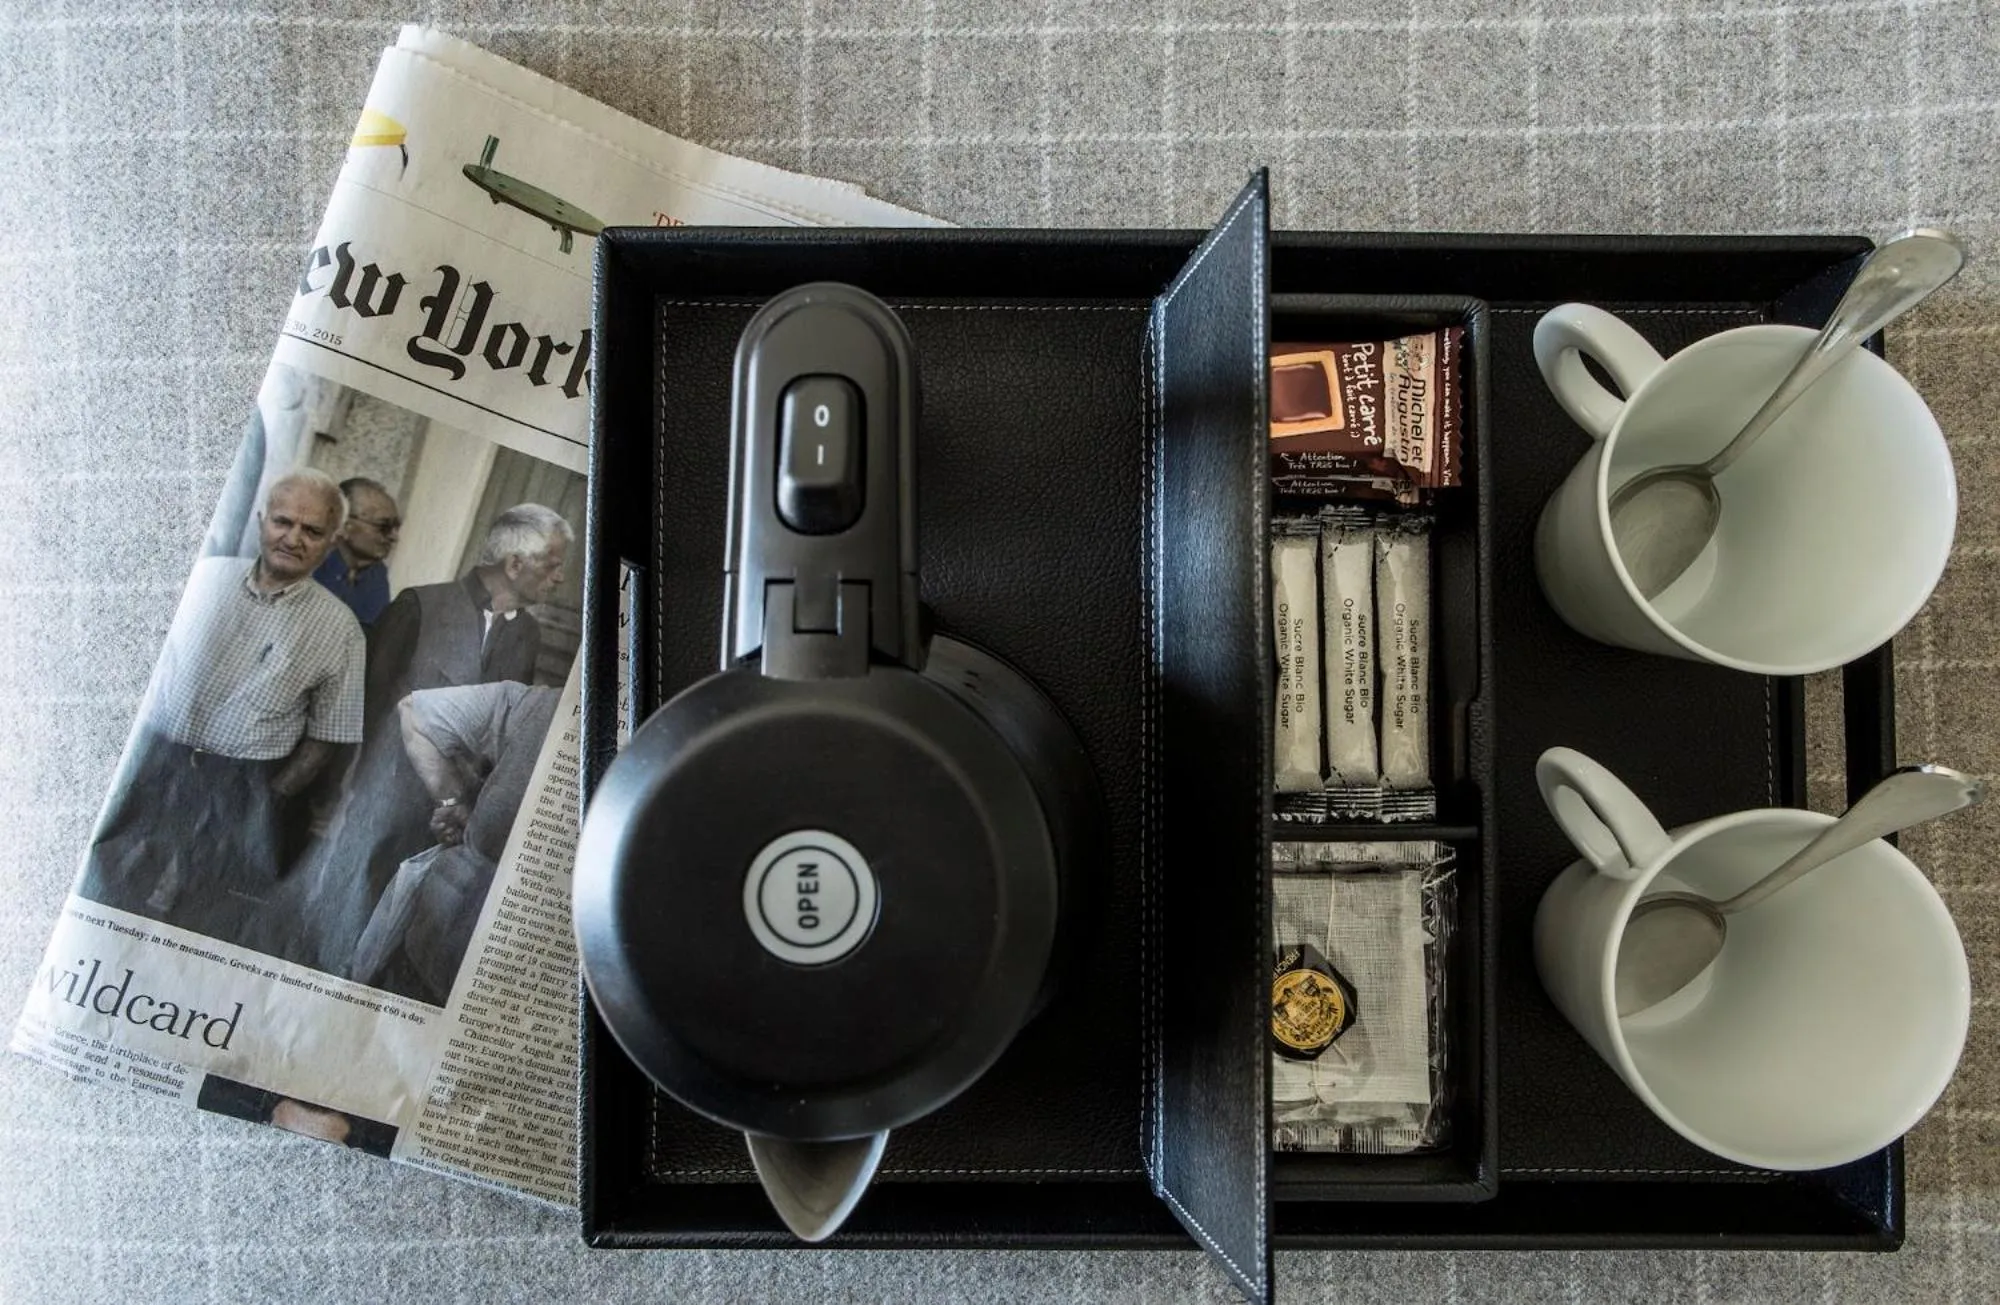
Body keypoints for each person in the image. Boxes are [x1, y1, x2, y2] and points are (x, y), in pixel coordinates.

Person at [282, 503, 572, 974]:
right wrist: (332, 797)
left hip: (452, 819)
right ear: (515, 563)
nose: (560, 578)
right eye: (553, 563)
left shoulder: (529, 635)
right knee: (336, 921)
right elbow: (361, 708)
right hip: (379, 802)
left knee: (398, 944)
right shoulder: (420, 605)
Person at [78, 470, 365, 943]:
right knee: (105, 892)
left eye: (312, 531)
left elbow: (328, 738)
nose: (293, 538)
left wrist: (268, 797)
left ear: (332, 543)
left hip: (241, 788)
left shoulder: (341, 629)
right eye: (283, 521)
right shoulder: (203, 578)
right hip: (153, 765)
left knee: (189, 917)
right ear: (261, 520)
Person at [354, 680, 561, 1006]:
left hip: (449, 955)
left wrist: (453, 801)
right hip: (440, 957)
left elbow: (414, 713)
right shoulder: (535, 704)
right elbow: (413, 712)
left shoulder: (539, 703)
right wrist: (454, 801)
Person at [313, 478, 401, 625]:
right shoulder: (307, 565)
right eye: (383, 526)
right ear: (344, 524)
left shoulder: (376, 574)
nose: (394, 537)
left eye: (396, 527)